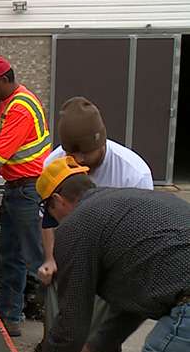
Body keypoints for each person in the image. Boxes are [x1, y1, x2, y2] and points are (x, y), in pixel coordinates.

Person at [30, 156, 190, 352]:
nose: (57, 224)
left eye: (52, 214)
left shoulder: (78, 225)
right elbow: (135, 304)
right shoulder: (131, 204)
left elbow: (73, 320)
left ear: (58, 201)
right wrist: (92, 348)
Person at [0, 55, 51, 337]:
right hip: (16, 188)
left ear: (3, 81)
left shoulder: (21, 108)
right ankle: (10, 318)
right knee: (12, 256)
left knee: (37, 259)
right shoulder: (7, 104)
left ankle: (59, 322)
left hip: (30, 189)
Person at [38, 96, 154, 285]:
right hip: (75, 254)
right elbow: (46, 218)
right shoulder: (55, 164)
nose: (79, 160)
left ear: (101, 142)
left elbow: (142, 232)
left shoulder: (134, 173)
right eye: (71, 154)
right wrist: (50, 258)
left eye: (85, 153)